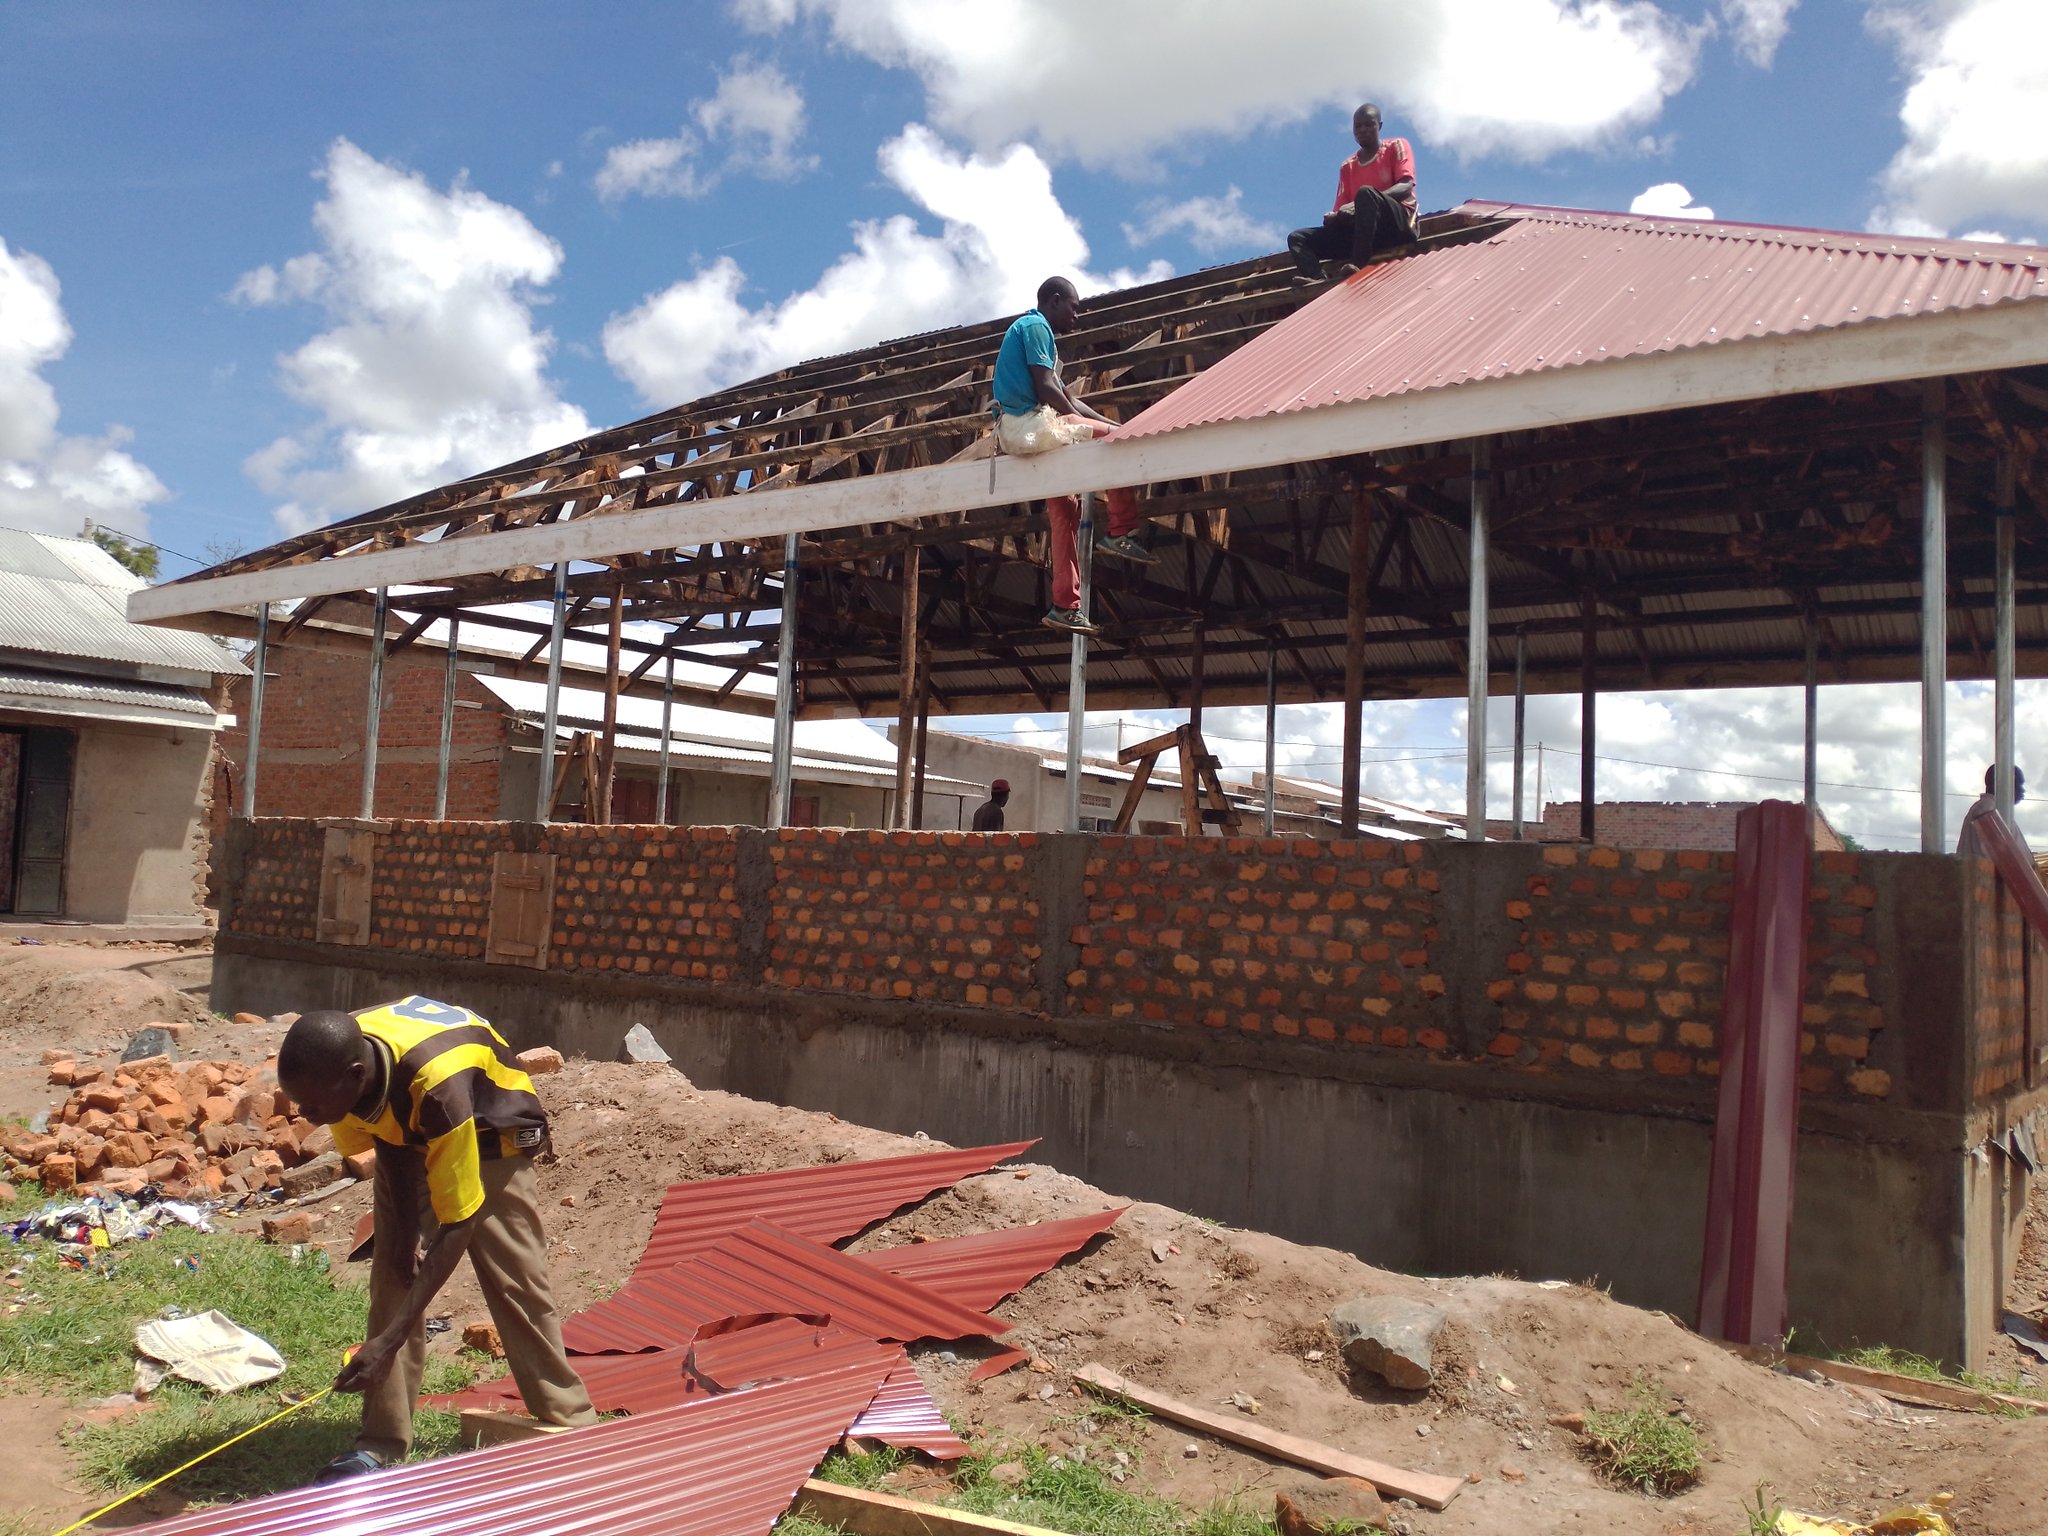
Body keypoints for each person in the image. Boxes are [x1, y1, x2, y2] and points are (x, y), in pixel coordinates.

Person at [276, 997, 597, 1483]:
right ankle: (380, 1442)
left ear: (356, 1074)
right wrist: (402, 1246)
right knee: (391, 1274)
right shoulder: (337, 1071)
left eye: (313, 1104)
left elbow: (459, 1223)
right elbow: (392, 1141)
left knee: (515, 1280)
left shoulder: (436, 1088)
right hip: (411, 1122)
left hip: (492, 1128)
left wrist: (390, 1340)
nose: (306, 1114)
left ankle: (568, 1422)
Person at [991, 275, 1156, 634]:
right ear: (1054, 300)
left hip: (1030, 429)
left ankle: (1065, 606)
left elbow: (1070, 398)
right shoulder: (1036, 326)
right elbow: (1046, 387)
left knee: (1066, 507)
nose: (1077, 316)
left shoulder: (1038, 336)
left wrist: (1111, 423)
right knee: (1117, 446)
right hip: (1028, 427)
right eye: (1074, 307)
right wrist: (1111, 432)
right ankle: (1122, 528)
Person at [1287, 103, 1418, 284]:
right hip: (1363, 235)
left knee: (1365, 194)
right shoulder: (1348, 166)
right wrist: (1334, 218)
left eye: (1369, 124)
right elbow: (1342, 209)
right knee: (1298, 238)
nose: (1362, 130)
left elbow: (1406, 186)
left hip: (1397, 226)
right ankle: (1317, 279)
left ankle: (1358, 265)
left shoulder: (1397, 146)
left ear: (1379, 126)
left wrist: (1360, 204)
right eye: (1358, 126)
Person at [1958, 764, 2032, 859]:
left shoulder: (1992, 809)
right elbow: (2005, 860)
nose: (2022, 790)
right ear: (2002, 784)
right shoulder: (1988, 811)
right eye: (2018, 784)